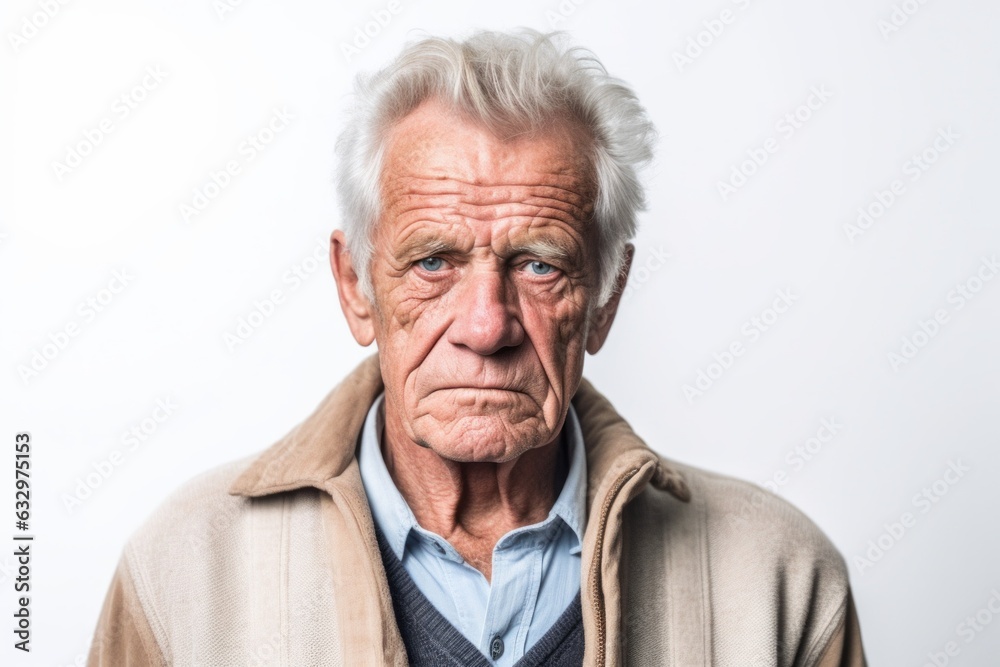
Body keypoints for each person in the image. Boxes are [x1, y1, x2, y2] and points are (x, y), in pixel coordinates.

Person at [88, 29, 866, 666]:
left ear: (605, 296)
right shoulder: (184, 571)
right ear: (356, 286)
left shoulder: (779, 579)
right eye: (434, 262)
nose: (486, 326)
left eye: (539, 263)